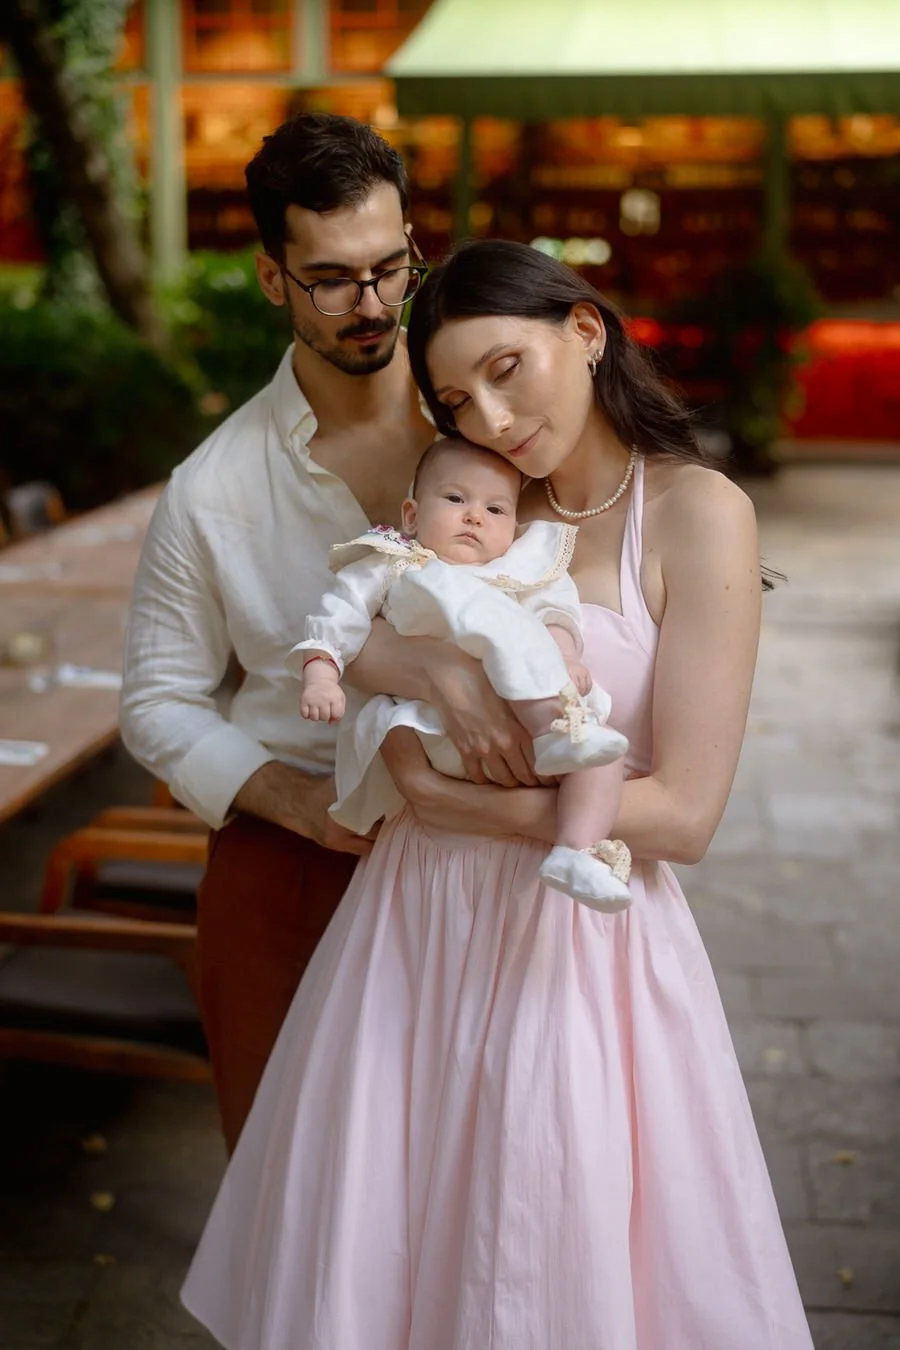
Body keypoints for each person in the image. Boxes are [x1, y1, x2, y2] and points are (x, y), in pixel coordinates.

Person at [181, 240, 813, 1349]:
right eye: (460, 397)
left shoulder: (697, 514)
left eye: (508, 369)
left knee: (542, 1247)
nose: (493, 416)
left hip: (575, 946)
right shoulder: (472, 498)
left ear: (584, 330)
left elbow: (684, 816)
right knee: (389, 1248)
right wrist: (416, 670)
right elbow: (346, 619)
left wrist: (468, 808)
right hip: (412, 930)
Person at [119, 112, 447, 1152]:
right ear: (272, 279)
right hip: (293, 853)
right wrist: (299, 805)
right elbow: (158, 701)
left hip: (481, 846)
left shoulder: (487, 423)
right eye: (333, 278)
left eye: (392, 268)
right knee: (283, 1178)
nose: (372, 305)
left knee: (469, 1175)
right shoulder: (210, 488)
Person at [293, 435, 632, 909]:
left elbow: (558, 613)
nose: (475, 515)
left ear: (514, 527)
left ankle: (576, 851)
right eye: (455, 499)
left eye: (496, 510)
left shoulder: (515, 575)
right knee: (498, 626)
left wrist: (566, 657)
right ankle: (554, 728)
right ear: (411, 515)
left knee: (604, 756)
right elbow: (339, 614)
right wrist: (321, 675)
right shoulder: (396, 563)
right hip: (432, 729)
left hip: (524, 747)